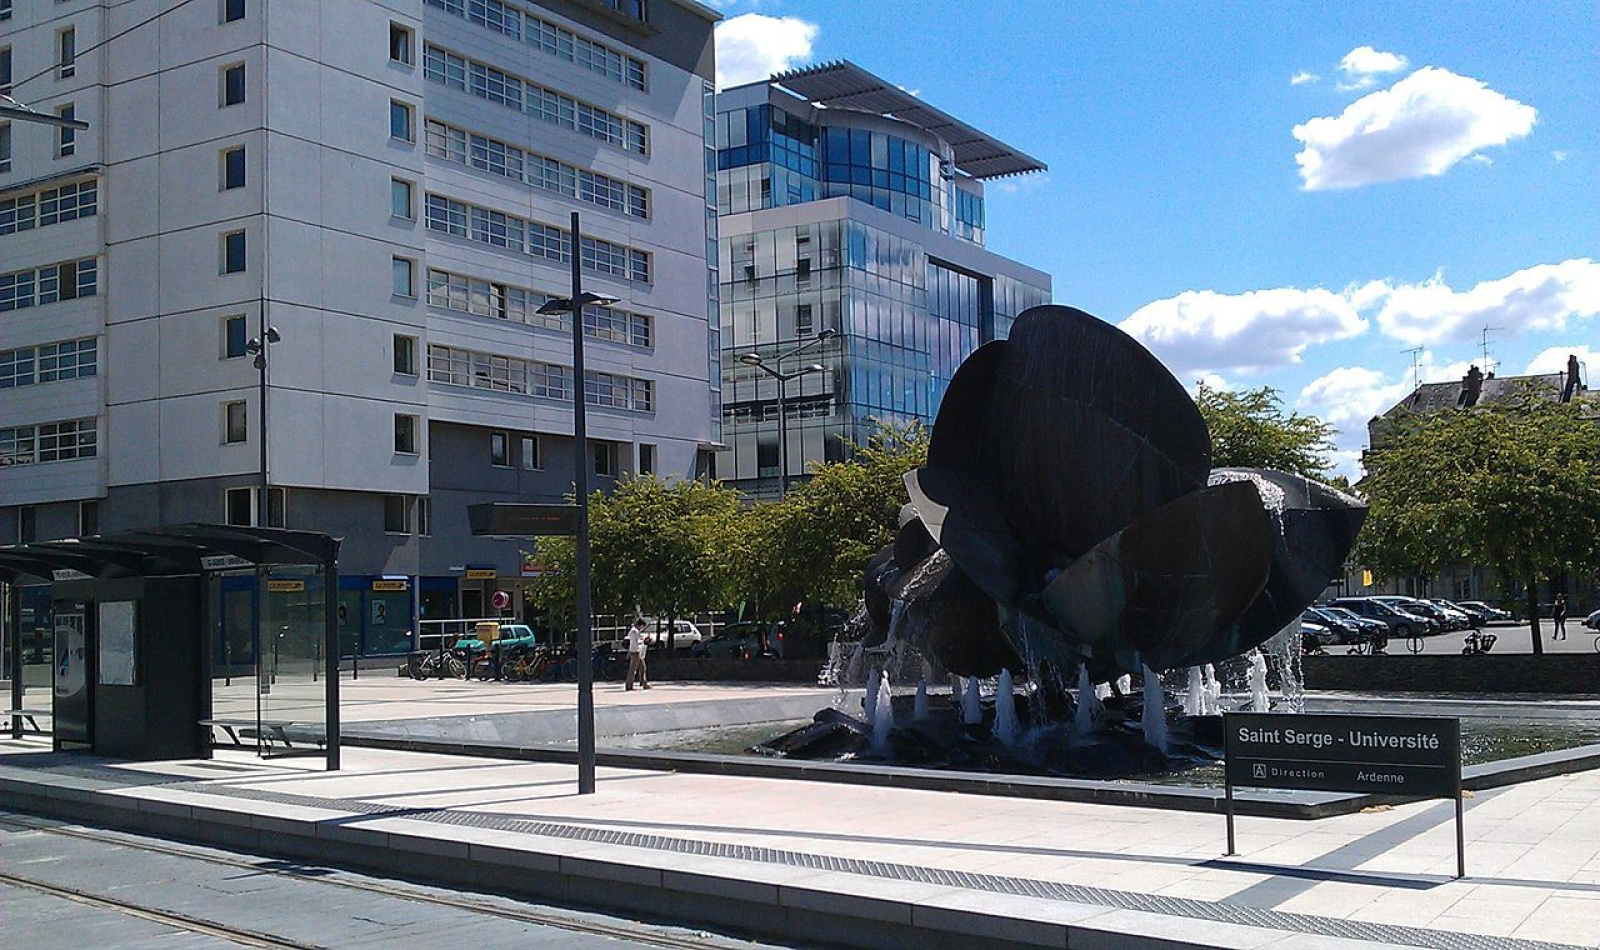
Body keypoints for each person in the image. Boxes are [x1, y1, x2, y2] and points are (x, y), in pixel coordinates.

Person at [624, 618, 651, 690]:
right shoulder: (634, 631)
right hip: (635, 652)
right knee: (632, 670)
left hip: (636, 652)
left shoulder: (635, 631)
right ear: (640, 625)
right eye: (643, 626)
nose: (642, 628)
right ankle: (629, 685)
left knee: (642, 668)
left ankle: (644, 683)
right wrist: (643, 641)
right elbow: (635, 642)